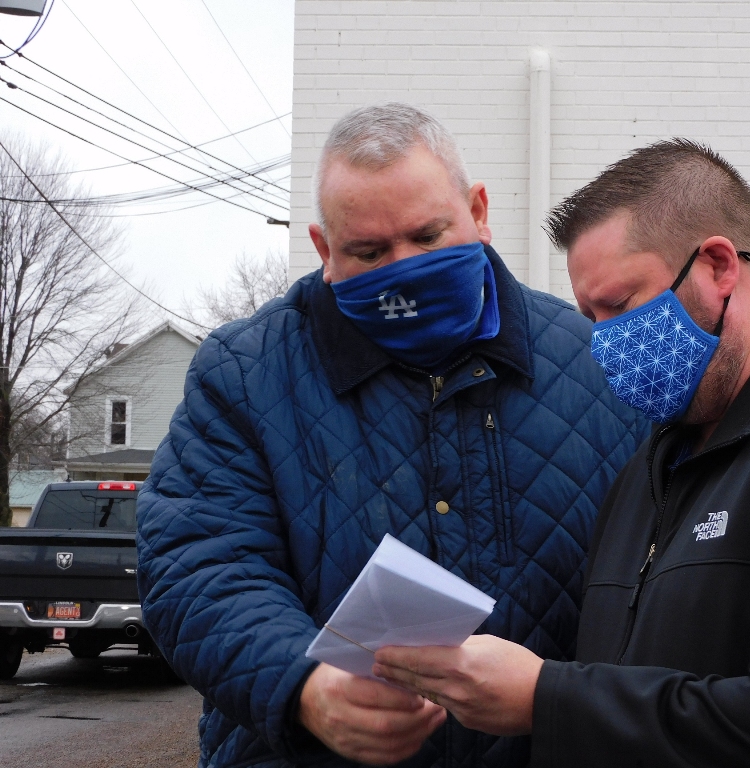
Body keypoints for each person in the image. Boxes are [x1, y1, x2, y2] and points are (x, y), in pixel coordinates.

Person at [373, 139, 750, 767]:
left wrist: (548, 700)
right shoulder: (651, 469)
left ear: (718, 267)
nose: (604, 340)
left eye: (620, 305)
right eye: (591, 316)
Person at [135, 103, 646, 768]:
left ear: (478, 211)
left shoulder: (595, 362)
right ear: (324, 250)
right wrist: (302, 687)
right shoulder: (244, 375)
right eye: (369, 253)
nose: (404, 270)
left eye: (428, 237)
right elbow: (197, 565)